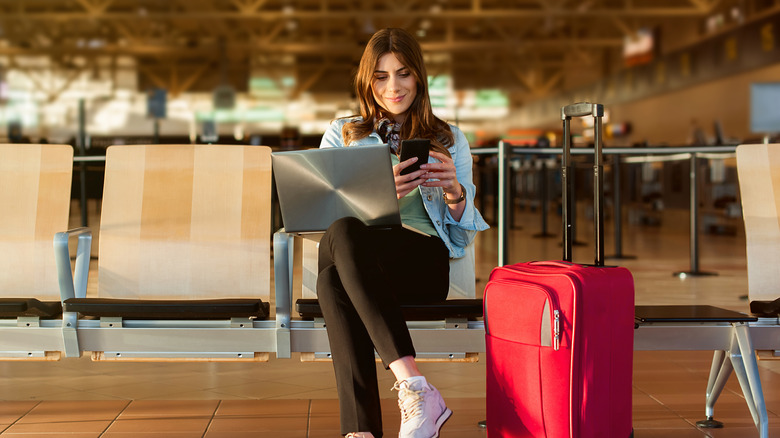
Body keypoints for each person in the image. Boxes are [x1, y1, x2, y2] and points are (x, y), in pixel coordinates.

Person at [317, 28, 489, 438]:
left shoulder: (448, 139)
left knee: (333, 277)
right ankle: (407, 393)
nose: (393, 87)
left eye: (403, 74)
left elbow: (462, 241)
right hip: (361, 264)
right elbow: (321, 220)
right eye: (380, 76)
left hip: (422, 263)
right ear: (366, 80)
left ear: (419, 78)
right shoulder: (341, 135)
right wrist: (376, 200)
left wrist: (454, 192)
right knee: (337, 255)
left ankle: (372, 422)